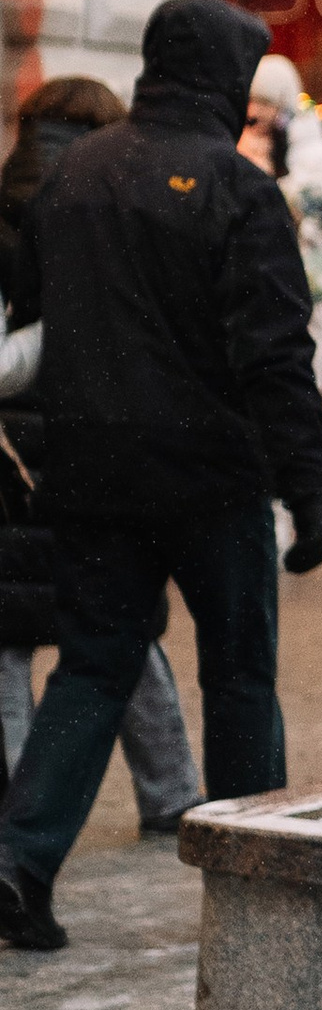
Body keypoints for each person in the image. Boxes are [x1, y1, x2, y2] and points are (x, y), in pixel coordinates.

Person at [0, 0, 322, 956]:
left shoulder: (75, 179)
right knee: (238, 676)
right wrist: (307, 491)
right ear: (227, 81)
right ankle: (251, 887)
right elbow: (277, 354)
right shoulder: (236, 188)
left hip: (93, 475)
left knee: (94, 667)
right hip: (211, 479)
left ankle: (19, 861)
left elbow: (31, 314)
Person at [0, 77, 203, 839]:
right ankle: (173, 794)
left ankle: (19, 826)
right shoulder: (118, 215)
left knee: (11, 643)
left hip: (13, 471)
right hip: (97, 453)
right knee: (122, 632)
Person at [245, 53, 322, 391]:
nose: (254, 114)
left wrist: (266, 182)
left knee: (301, 393)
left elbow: (321, 217)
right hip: (259, 291)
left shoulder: (319, 155)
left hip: (306, 292)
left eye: (264, 104)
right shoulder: (253, 144)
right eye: (252, 103)